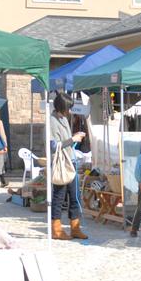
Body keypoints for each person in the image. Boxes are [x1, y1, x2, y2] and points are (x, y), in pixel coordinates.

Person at [50, 92, 87, 240]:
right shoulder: (52, 121)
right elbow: (54, 146)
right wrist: (73, 139)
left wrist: (74, 137)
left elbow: (66, 140)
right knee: (59, 196)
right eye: (68, 108)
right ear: (62, 107)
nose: (70, 111)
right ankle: (56, 230)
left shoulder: (63, 118)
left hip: (71, 161)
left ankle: (75, 227)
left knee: (75, 196)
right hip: (61, 163)